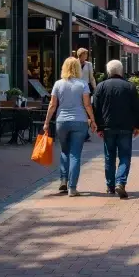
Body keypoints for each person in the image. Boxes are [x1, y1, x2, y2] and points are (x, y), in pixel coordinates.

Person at [43, 57, 97, 197]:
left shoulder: (58, 84)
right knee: (75, 154)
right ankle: (72, 188)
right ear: (78, 68)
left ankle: (63, 179)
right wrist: (92, 120)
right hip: (80, 121)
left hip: (62, 121)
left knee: (64, 151)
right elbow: (87, 105)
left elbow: (53, 105)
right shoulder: (83, 84)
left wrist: (47, 122)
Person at [92, 60, 139, 199]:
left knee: (109, 157)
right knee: (125, 156)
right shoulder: (129, 87)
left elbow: (95, 108)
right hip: (126, 127)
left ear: (108, 71)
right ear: (121, 71)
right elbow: (138, 108)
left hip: (107, 127)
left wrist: (98, 126)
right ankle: (120, 182)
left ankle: (110, 186)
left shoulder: (101, 86)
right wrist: (138, 125)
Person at [75, 48, 97, 141]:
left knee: (87, 110)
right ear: (80, 55)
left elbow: (91, 78)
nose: (86, 56)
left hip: (86, 88)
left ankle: (85, 133)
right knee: (79, 110)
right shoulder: (74, 63)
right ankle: (79, 132)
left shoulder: (89, 64)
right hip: (76, 88)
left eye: (86, 55)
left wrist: (96, 88)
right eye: (85, 54)